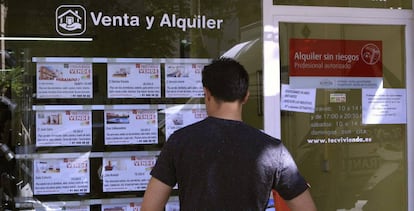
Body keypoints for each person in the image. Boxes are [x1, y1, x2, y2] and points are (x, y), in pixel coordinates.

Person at [141, 57, 317, 210]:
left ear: (207, 94)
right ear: (246, 96)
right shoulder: (272, 149)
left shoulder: (180, 142)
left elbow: (150, 207)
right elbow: (306, 208)